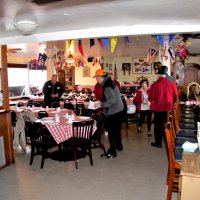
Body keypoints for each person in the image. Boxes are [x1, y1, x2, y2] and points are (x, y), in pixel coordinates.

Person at [93, 69, 124, 159]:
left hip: (114, 111)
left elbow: (112, 100)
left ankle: (112, 152)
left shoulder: (107, 86)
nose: (96, 80)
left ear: (100, 77)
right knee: (117, 130)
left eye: (97, 77)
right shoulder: (110, 82)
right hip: (119, 109)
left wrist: (100, 104)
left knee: (111, 132)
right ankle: (119, 146)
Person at [148, 66, 178, 148]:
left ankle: (158, 143)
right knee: (167, 125)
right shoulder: (172, 84)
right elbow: (176, 96)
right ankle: (168, 141)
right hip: (168, 108)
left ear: (159, 75)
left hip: (158, 108)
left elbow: (150, 98)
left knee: (158, 126)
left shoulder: (154, 85)